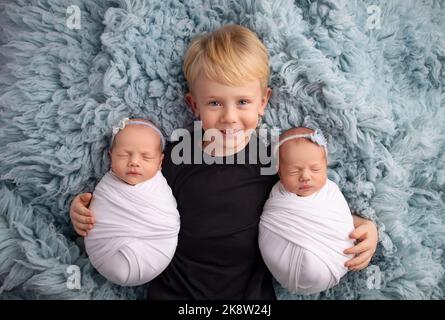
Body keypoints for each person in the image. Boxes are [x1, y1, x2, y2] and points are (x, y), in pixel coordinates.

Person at [69, 24, 378, 299]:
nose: (229, 117)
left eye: (242, 102)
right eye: (215, 103)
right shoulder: (173, 155)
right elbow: (126, 195)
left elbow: (311, 205)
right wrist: (85, 213)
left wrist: (362, 226)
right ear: (194, 105)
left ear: (263, 102)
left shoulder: (276, 160)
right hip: (176, 292)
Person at [83, 118, 180, 286]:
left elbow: (168, 222)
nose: (134, 162)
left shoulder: (159, 190)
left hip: (155, 249)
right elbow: (96, 217)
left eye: (146, 157)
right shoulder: (106, 188)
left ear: (160, 162)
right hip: (104, 252)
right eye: (124, 155)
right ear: (110, 157)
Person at [259, 127, 355, 295]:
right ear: (279, 172)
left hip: (334, 260)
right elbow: (270, 220)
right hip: (284, 266)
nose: (305, 176)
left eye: (315, 169)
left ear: (326, 166)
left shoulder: (330, 192)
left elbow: (341, 220)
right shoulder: (278, 197)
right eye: (293, 171)